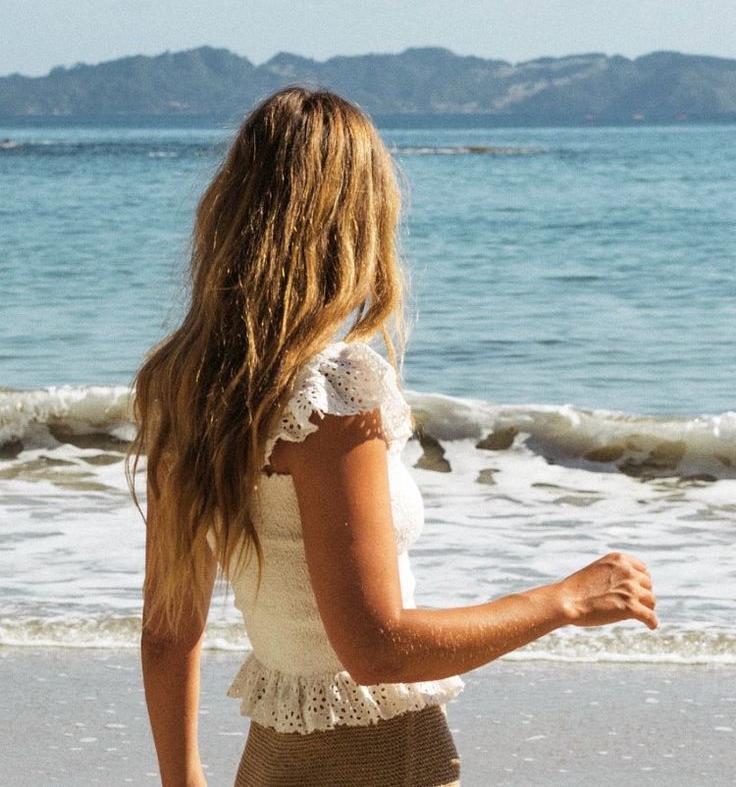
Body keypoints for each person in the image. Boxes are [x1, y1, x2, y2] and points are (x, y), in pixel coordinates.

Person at [126, 86, 658, 787]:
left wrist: (181, 778)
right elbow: (379, 648)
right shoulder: (332, 390)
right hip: (382, 761)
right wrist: (563, 599)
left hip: (269, 762)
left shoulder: (190, 387)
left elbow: (168, 631)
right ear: (357, 219)